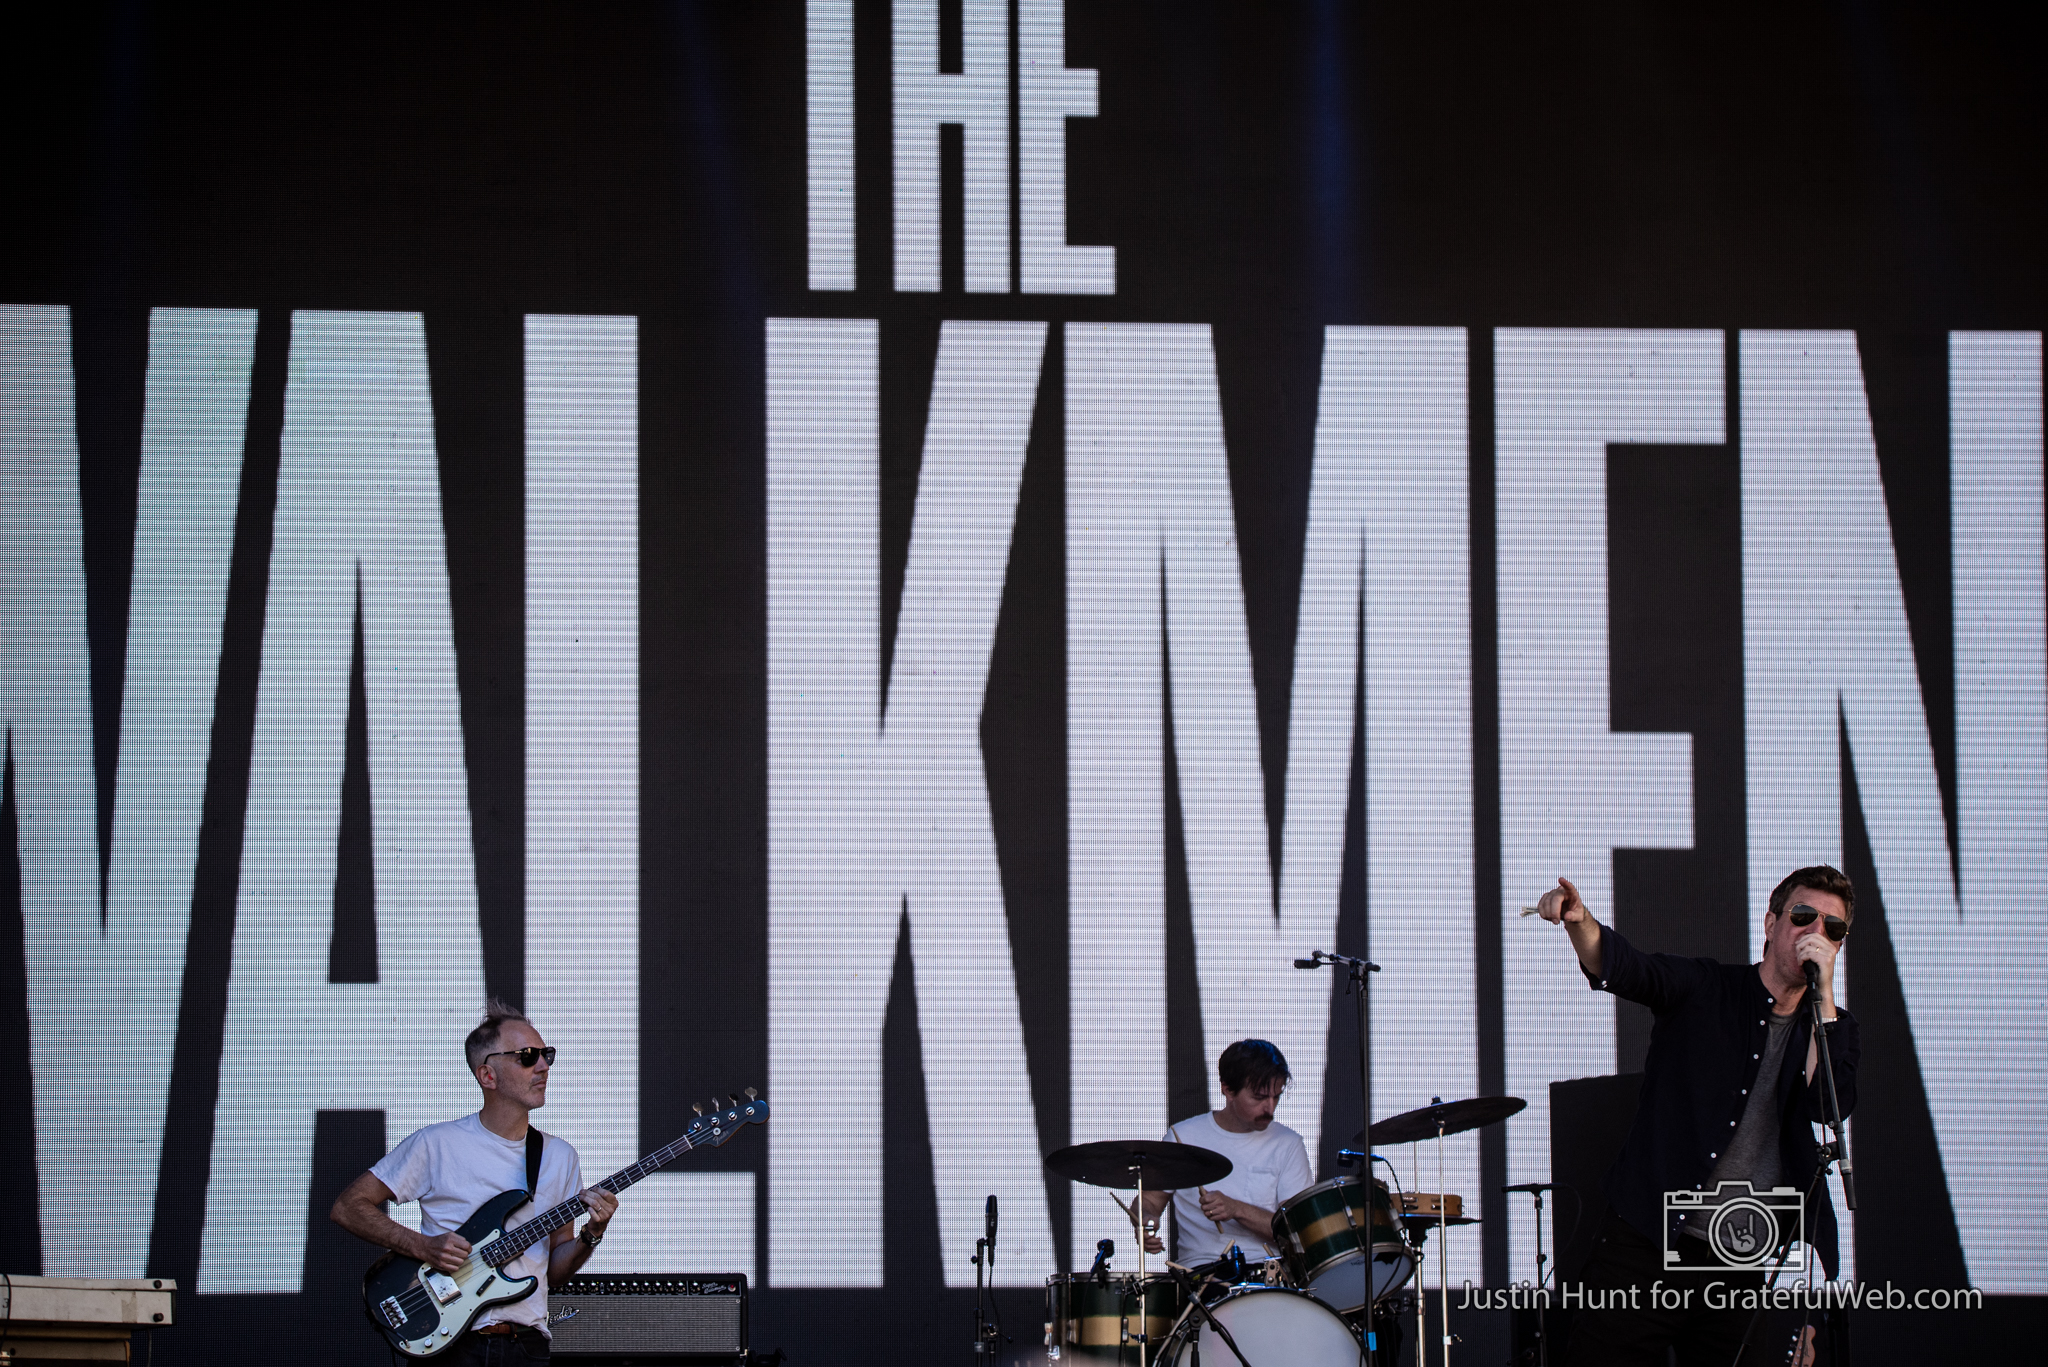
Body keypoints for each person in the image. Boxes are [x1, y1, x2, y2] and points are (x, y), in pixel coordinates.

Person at [1533, 867, 1860, 1367]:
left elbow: (1826, 1103)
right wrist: (1580, 922)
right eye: (1802, 916)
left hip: (1742, 1255)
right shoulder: (1705, 987)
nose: (1815, 932)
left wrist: (1826, 999)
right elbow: (1627, 967)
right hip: (1648, 1244)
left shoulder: (1831, 1026)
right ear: (1771, 923)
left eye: (1832, 928)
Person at [331, 1000, 620, 1363]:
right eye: (528, 1056)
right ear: (488, 1076)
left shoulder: (560, 1157)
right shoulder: (436, 1144)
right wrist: (422, 1246)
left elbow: (555, 1269)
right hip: (452, 1344)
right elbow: (348, 1207)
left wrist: (592, 1234)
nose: (544, 1066)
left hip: (525, 1345)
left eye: (547, 1054)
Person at [1137, 1039, 1315, 1266]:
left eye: (1276, 1097)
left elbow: (1298, 1231)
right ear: (1228, 1090)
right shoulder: (1183, 1136)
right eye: (1259, 1098)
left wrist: (1237, 1209)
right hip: (1200, 1273)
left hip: (1269, 1274)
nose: (1270, 1108)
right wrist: (1146, 1221)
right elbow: (1149, 1200)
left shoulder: (1288, 1143)